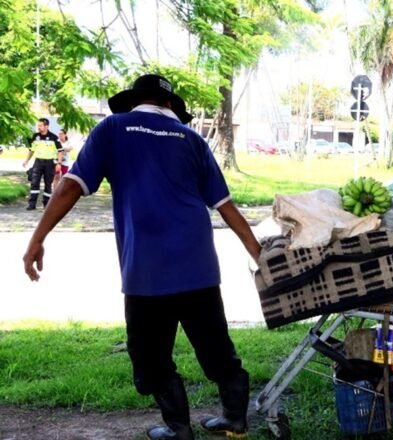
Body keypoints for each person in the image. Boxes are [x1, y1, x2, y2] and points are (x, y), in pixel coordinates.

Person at [22, 74, 262, 440]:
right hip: (198, 266)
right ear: (169, 104)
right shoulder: (192, 139)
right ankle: (235, 420)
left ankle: (179, 429)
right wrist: (259, 254)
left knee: (150, 356)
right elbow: (225, 206)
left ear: (135, 101)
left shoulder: (113, 128)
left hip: (147, 271)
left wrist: (37, 239)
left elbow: (71, 186)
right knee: (215, 347)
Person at [22, 118, 63, 210]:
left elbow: (60, 151)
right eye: (38, 125)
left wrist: (59, 163)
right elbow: (31, 150)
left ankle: (46, 204)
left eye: (40, 125)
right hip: (38, 162)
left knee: (48, 184)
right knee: (34, 183)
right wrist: (26, 160)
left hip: (49, 163)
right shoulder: (35, 136)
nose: (38, 127)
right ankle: (32, 204)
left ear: (46, 126)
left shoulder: (54, 137)